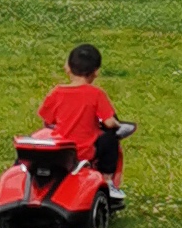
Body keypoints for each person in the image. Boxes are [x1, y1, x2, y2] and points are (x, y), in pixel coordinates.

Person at [37, 41, 127, 195]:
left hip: (60, 150)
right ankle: (107, 180)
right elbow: (108, 122)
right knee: (111, 138)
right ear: (96, 72)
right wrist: (117, 124)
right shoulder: (96, 94)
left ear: (67, 67)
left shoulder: (57, 92)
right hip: (86, 151)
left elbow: (47, 121)